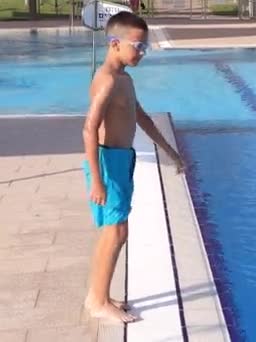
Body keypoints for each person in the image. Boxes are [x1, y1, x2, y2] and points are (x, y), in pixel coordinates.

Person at [82, 11, 184, 323]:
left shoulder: (125, 79)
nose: (142, 52)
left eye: (145, 47)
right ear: (115, 43)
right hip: (107, 161)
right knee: (116, 232)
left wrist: (169, 151)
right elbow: (89, 129)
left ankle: (96, 295)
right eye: (137, 46)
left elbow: (142, 117)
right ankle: (98, 302)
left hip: (121, 159)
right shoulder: (107, 82)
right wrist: (97, 181)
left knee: (115, 232)